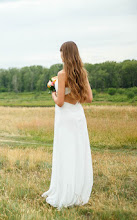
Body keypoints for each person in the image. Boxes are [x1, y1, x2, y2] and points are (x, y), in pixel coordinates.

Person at [41, 41, 93, 210]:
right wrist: (75, 98)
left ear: (66, 54)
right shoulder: (82, 73)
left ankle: (65, 193)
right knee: (77, 152)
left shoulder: (62, 74)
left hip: (65, 118)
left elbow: (61, 103)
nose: (60, 55)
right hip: (78, 115)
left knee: (66, 152)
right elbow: (89, 98)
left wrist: (53, 94)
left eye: (62, 52)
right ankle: (77, 192)